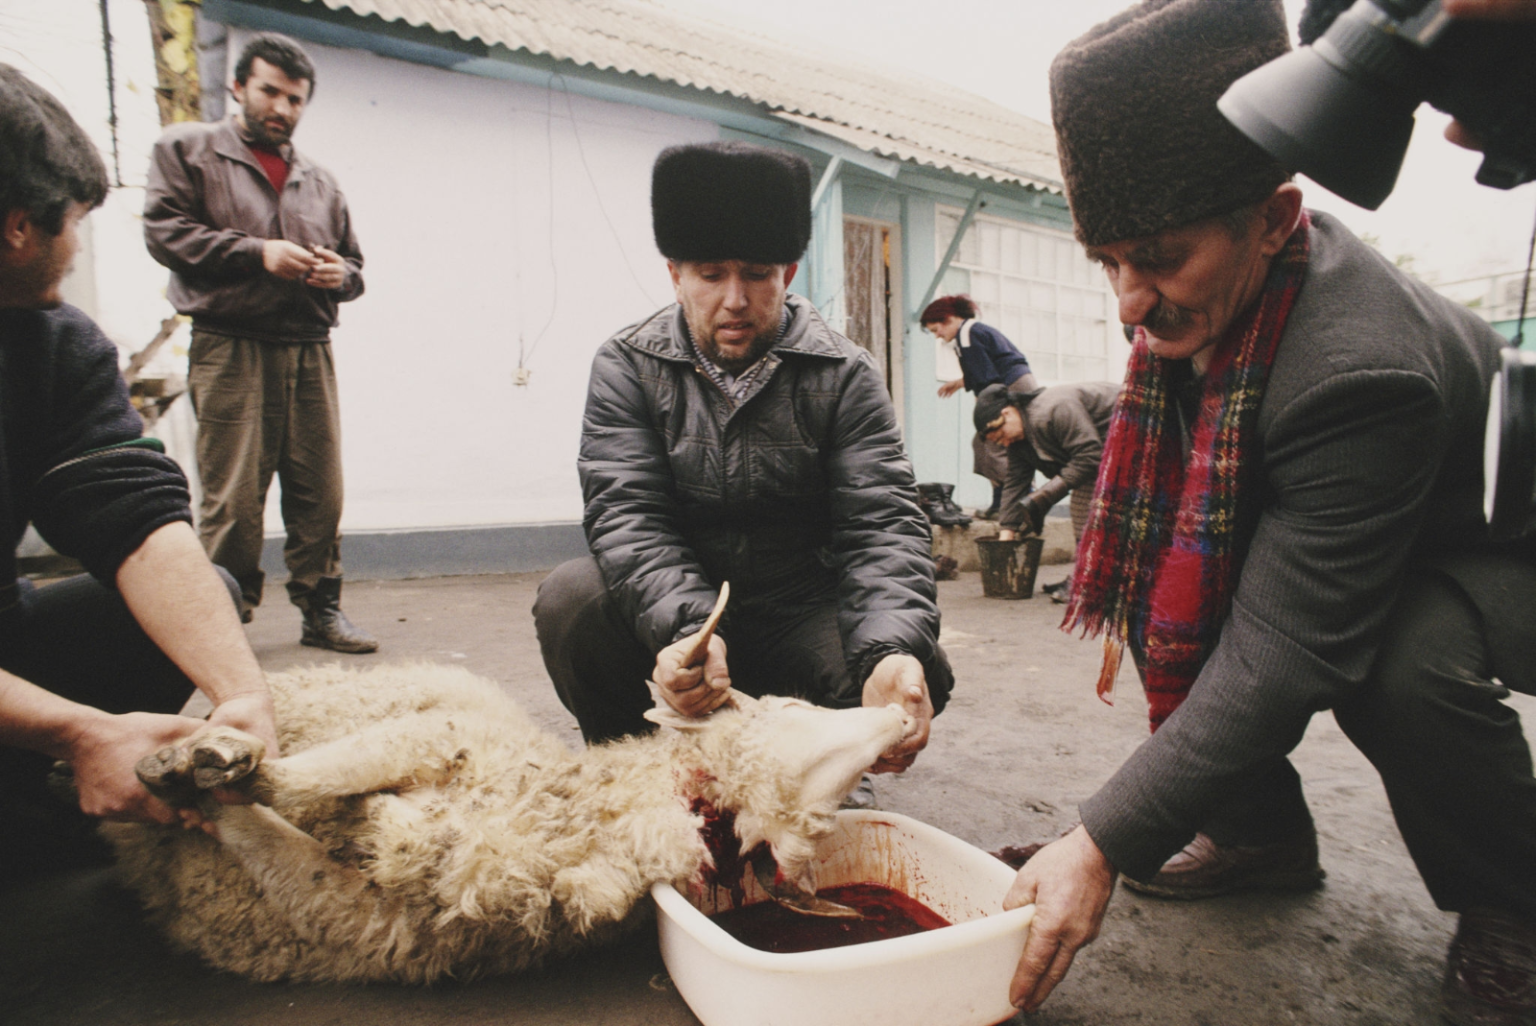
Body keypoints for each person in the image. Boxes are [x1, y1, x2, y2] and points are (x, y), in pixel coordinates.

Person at [1000, 4, 1536, 1025]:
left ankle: (1514, 902)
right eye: (1105, 262)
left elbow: (1289, 647)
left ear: (1277, 218)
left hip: (1508, 547)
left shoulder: (1358, 372)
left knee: (1399, 655)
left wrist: (1102, 839)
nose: (1128, 303)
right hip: (1397, 536)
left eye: (1157, 255)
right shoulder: (1226, 312)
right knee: (1178, 564)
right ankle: (1258, 835)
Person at [534, 141, 952, 787]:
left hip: (801, 611)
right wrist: (689, 631)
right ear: (674, 274)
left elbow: (883, 526)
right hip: (679, 615)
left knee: (910, 667)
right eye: (710, 273)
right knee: (572, 601)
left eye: (757, 273)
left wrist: (891, 651)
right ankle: (638, 776)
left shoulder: (846, 375)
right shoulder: (627, 366)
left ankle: (823, 774)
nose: (735, 298)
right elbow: (628, 513)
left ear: (788, 271)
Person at [0, 64, 278, 877]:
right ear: (18, 226)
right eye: (74, 222)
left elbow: (136, 518)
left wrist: (242, 694)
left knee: (208, 600)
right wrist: (77, 730)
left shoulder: (52, 345)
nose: (76, 245)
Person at [143, 32, 376, 654]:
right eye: (271, 91)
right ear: (239, 87)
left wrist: (341, 276)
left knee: (319, 490)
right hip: (229, 343)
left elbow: (356, 265)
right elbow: (165, 234)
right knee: (234, 497)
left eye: (295, 99)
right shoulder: (187, 149)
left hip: (308, 344)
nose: (282, 108)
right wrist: (256, 253)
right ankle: (223, 620)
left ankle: (321, 611)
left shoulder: (319, 181)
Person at [971, 380, 1119, 602]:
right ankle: (1085, 576)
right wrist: (1006, 535)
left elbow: (1089, 457)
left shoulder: (1051, 410)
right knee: (1082, 503)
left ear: (1008, 413)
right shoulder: (1020, 439)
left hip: (1135, 428)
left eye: (1001, 435)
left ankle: (1089, 582)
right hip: (1104, 449)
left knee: (1084, 505)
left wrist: (1044, 496)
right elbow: (1015, 483)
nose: (1004, 443)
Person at [921, 294, 1039, 518]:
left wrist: (985, 402)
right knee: (984, 444)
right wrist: (960, 382)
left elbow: (988, 377)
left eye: (937, 329)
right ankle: (1001, 501)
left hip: (1011, 387)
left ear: (950, 319)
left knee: (992, 441)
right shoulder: (972, 332)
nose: (938, 336)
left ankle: (1021, 498)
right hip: (1009, 384)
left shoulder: (967, 334)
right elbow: (987, 367)